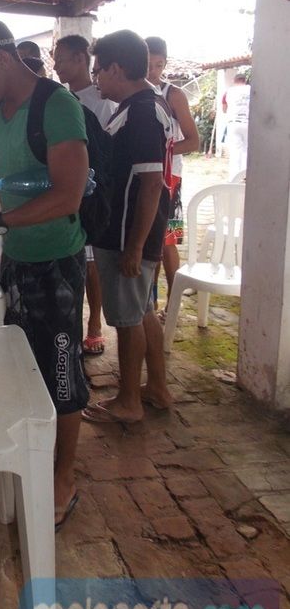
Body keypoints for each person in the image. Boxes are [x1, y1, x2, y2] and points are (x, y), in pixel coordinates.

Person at [0, 18, 89, 531]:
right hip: (18, 260)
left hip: (56, 262)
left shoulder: (56, 105)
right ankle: (20, 446)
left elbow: (68, 193)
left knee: (64, 372)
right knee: (21, 363)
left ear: (3, 59)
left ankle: (63, 477)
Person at [83, 30, 173, 425]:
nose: (96, 77)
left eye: (99, 69)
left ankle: (128, 402)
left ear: (117, 68)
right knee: (142, 310)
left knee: (127, 318)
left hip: (126, 233)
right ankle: (156, 388)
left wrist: (134, 247)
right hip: (126, 230)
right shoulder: (136, 105)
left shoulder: (140, 113)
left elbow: (152, 183)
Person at [53, 34, 117, 356]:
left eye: (61, 59)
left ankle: (95, 324)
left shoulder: (101, 100)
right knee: (80, 261)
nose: (56, 66)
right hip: (72, 192)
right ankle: (76, 322)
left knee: (93, 264)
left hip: (94, 195)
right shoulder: (60, 99)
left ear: (81, 59)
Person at [145, 36, 200, 315]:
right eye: (147, 65)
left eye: (158, 65)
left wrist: (160, 152)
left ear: (164, 64)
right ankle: (150, 303)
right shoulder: (134, 94)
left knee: (167, 242)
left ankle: (173, 304)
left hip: (170, 179)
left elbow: (193, 141)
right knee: (148, 242)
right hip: (145, 179)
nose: (152, 72)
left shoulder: (172, 94)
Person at [222, 72, 250, 180]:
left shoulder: (229, 91)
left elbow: (224, 109)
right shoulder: (251, 89)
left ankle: (234, 178)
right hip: (248, 122)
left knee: (235, 151)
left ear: (234, 81)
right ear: (245, 80)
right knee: (246, 150)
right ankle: (245, 176)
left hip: (234, 123)